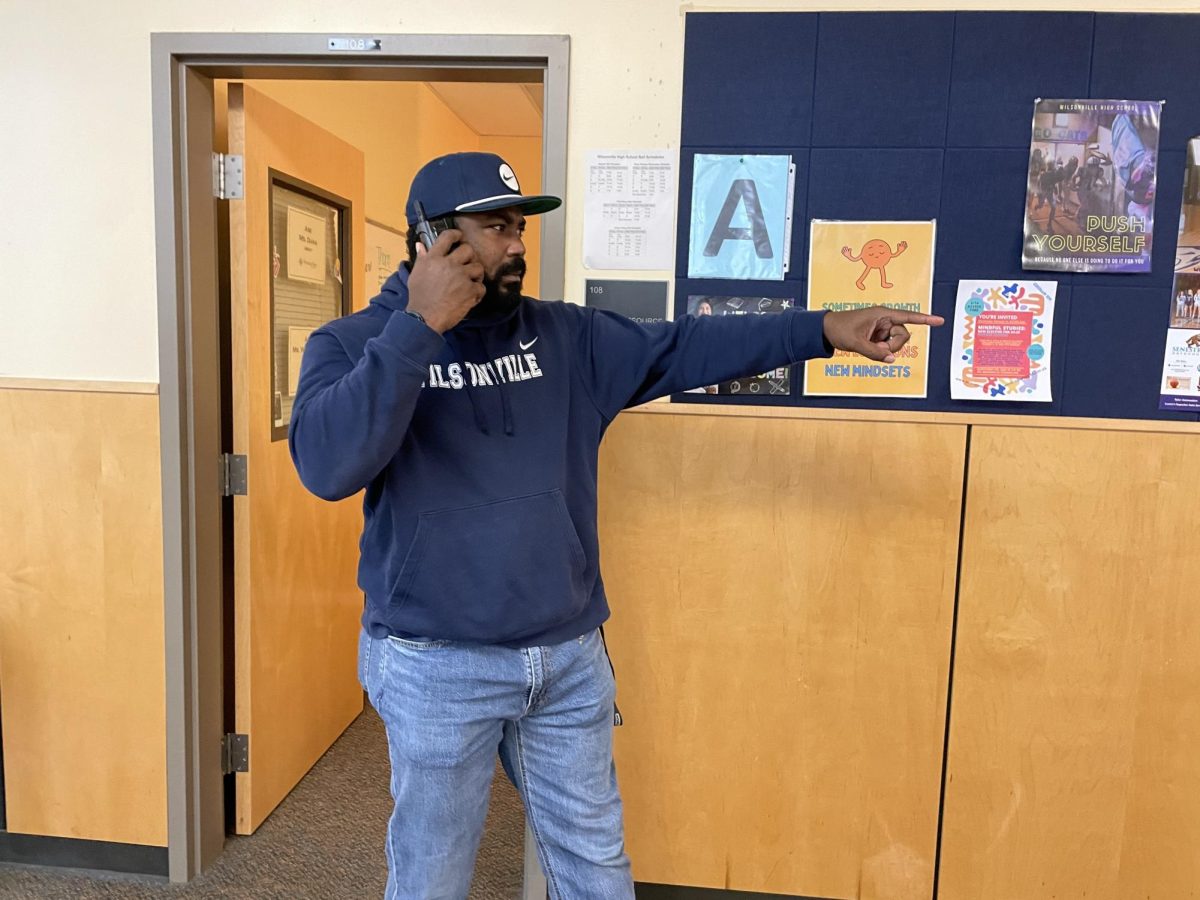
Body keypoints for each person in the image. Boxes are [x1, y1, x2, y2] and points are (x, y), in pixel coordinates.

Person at [288, 151, 943, 899]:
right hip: (440, 665)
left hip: (566, 660)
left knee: (596, 870)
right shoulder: (350, 345)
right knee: (432, 875)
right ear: (432, 239)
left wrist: (824, 327)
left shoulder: (568, 339)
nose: (516, 246)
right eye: (496, 227)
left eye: (521, 227)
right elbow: (328, 468)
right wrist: (417, 328)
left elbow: (685, 346)